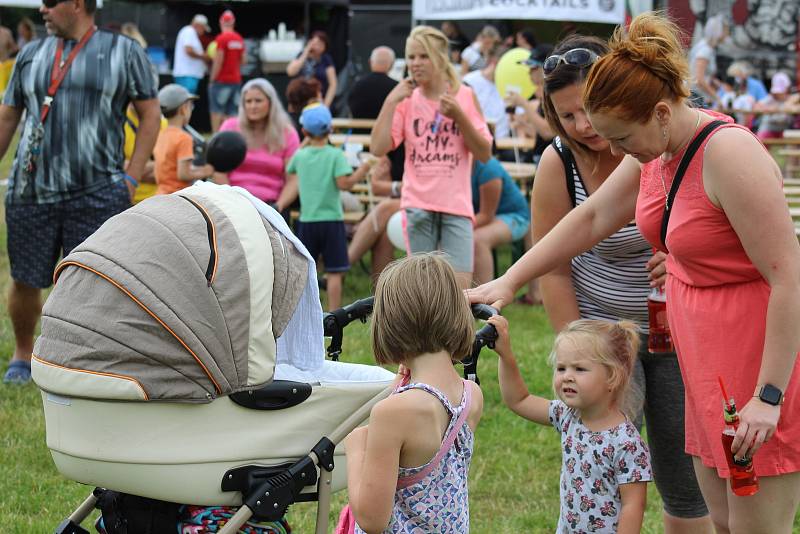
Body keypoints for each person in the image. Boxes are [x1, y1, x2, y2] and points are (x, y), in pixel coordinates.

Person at [469, 12, 800, 533]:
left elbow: (789, 278)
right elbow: (594, 215)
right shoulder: (653, 150)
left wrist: (769, 396)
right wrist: (509, 280)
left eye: (621, 137)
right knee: (722, 519)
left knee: (756, 526)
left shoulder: (728, 153)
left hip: (752, 361)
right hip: (702, 357)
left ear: (662, 112)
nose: (616, 151)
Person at [534, 34, 711, 532]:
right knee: (599, 468)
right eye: (567, 116)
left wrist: (681, 253)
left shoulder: (667, 144)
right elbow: (554, 262)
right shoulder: (560, 162)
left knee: (683, 476)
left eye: (589, 110)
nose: (583, 127)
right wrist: (583, 348)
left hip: (675, 328)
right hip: (607, 338)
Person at [1, 0, 160, 384]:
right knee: (24, 278)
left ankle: (82, 360)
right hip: (31, 190)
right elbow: (9, 114)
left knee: (94, 284)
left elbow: (151, 113)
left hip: (98, 192)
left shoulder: (125, 52)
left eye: (50, 3)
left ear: (77, 4)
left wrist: (131, 178)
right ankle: (23, 354)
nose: (42, 10)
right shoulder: (31, 54)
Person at [342, 253, 484, 534]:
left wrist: (356, 448)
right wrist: (400, 389)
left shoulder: (392, 414)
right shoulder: (471, 396)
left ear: (390, 325)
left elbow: (372, 520)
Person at [490, 315, 651, 533]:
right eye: (561, 368)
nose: (567, 376)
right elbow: (519, 400)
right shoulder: (567, 416)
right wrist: (505, 354)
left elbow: (633, 506)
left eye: (579, 369)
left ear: (612, 376)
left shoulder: (627, 443)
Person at [371, 25, 492, 289]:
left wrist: (459, 116)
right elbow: (378, 148)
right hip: (418, 205)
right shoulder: (405, 99)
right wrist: (390, 102)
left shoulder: (464, 96)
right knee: (423, 290)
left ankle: (456, 333)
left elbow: (484, 153)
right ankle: (424, 333)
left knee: (459, 292)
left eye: (423, 56)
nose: (415, 63)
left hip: (456, 205)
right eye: (411, 57)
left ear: (440, 57)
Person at [287, 105, 372, 310]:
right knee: (334, 272)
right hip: (332, 221)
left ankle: (304, 310)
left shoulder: (300, 156)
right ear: (330, 130)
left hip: (307, 221)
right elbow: (345, 184)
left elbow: (289, 168)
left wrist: (305, 141)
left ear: (304, 131)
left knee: (307, 270)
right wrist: (364, 169)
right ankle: (334, 312)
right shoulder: (335, 155)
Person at [215, 78, 299, 210]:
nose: (253, 106)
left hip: (272, 207)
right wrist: (232, 202)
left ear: (271, 103)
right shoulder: (230, 127)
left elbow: (293, 179)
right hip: (233, 206)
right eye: (248, 101)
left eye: (258, 101)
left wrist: (279, 206)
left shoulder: (287, 133)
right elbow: (218, 171)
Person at [471, 157, 530, 286]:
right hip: (484, 217)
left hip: (516, 216)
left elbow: (486, 216)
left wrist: (460, 227)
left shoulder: (489, 168)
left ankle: (484, 302)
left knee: (478, 240)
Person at [153, 84, 215, 195]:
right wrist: (207, 171)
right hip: (178, 196)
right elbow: (183, 174)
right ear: (183, 109)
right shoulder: (184, 138)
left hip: (160, 194)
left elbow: (171, 167)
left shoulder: (160, 135)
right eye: (190, 106)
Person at [506, 43, 556, 163]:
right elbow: (539, 133)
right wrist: (522, 123)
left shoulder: (553, 95)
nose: (529, 72)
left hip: (550, 159)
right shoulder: (545, 95)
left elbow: (548, 132)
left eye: (533, 68)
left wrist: (523, 103)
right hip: (543, 156)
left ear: (545, 68)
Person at [208, 9, 245, 132]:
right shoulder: (239, 39)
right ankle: (231, 136)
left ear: (221, 23)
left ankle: (215, 136)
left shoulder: (221, 39)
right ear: (233, 23)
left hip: (221, 80)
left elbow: (218, 61)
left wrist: (212, 79)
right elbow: (244, 60)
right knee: (232, 112)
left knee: (216, 110)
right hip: (236, 80)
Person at [463, 45, 510, 138]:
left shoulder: (509, 86)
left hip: (503, 144)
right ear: (495, 62)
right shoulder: (469, 81)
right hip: (476, 140)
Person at [286, 30, 337, 108]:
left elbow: (333, 83)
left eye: (321, 44)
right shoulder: (302, 55)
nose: (318, 46)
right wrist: (305, 53)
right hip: (301, 99)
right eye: (315, 43)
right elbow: (290, 72)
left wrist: (326, 105)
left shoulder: (326, 59)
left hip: (318, 99)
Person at [688, 14, 727, 108]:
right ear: (719, 31)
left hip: (695, 95)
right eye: (725, 30)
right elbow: (699, 79)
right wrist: (717, 98)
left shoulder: (704, 47)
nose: (727, 34)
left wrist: (714, 82)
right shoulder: (705, 50)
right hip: (695, 96)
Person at [348, 46, 397, 120]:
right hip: (387, 131)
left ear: (370, 62)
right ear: (392, 64)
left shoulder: (357, 85)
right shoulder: (397, 88)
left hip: (359, 131)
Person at [754, 71, 800, 140]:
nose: (778, 94)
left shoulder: (793, 98)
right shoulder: (771, 98)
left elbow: (793, 108)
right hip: (769, 128)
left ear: (787, 89)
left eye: (780, 91)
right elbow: (756, 107)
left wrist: (784, 107)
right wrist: (767, 109)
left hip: (785, 129)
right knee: (761, 138)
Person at [173, 14, 210, 95]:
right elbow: (188, 50)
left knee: (187, 102)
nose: (203, 31)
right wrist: (204, 56)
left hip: (189, 75)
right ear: (198, 25)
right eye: (203, 28)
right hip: (187, 75)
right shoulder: (189, 31)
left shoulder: (190, 32)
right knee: (186, 102)